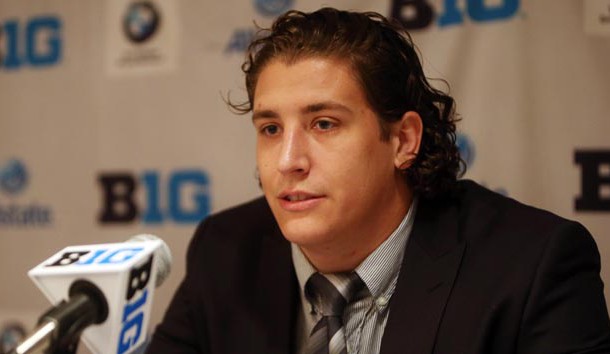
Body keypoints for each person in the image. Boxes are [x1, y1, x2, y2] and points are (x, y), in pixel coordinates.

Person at [146, 7, 610, 354]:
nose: (288, 160)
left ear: (404, 140)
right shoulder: (225, 251)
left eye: (324, 124)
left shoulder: (531, 267)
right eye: (271, 129)